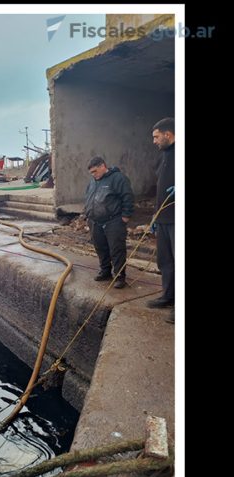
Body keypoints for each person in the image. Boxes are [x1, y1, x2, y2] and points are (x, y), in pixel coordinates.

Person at [84, 156, 135, 289]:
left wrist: (126, 215)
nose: (93, 175)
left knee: (116, 249)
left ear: (103, 166)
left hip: (113, 221)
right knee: (101, 248)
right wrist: (88, 214)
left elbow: (127, 196)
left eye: (95, 171)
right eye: (91, 173)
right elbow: (89, 197)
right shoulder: (93, 181)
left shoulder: (118, 178)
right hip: (95, 221)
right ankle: (105, 271)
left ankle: (119, 277)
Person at [147, 117, 175, 323]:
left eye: (157, 137)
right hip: (163, 219)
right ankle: (169, 295)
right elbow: (160, 189)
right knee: (165, 261)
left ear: (168, 134)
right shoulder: (163, 156)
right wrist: (155, 216)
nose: (154, 141)